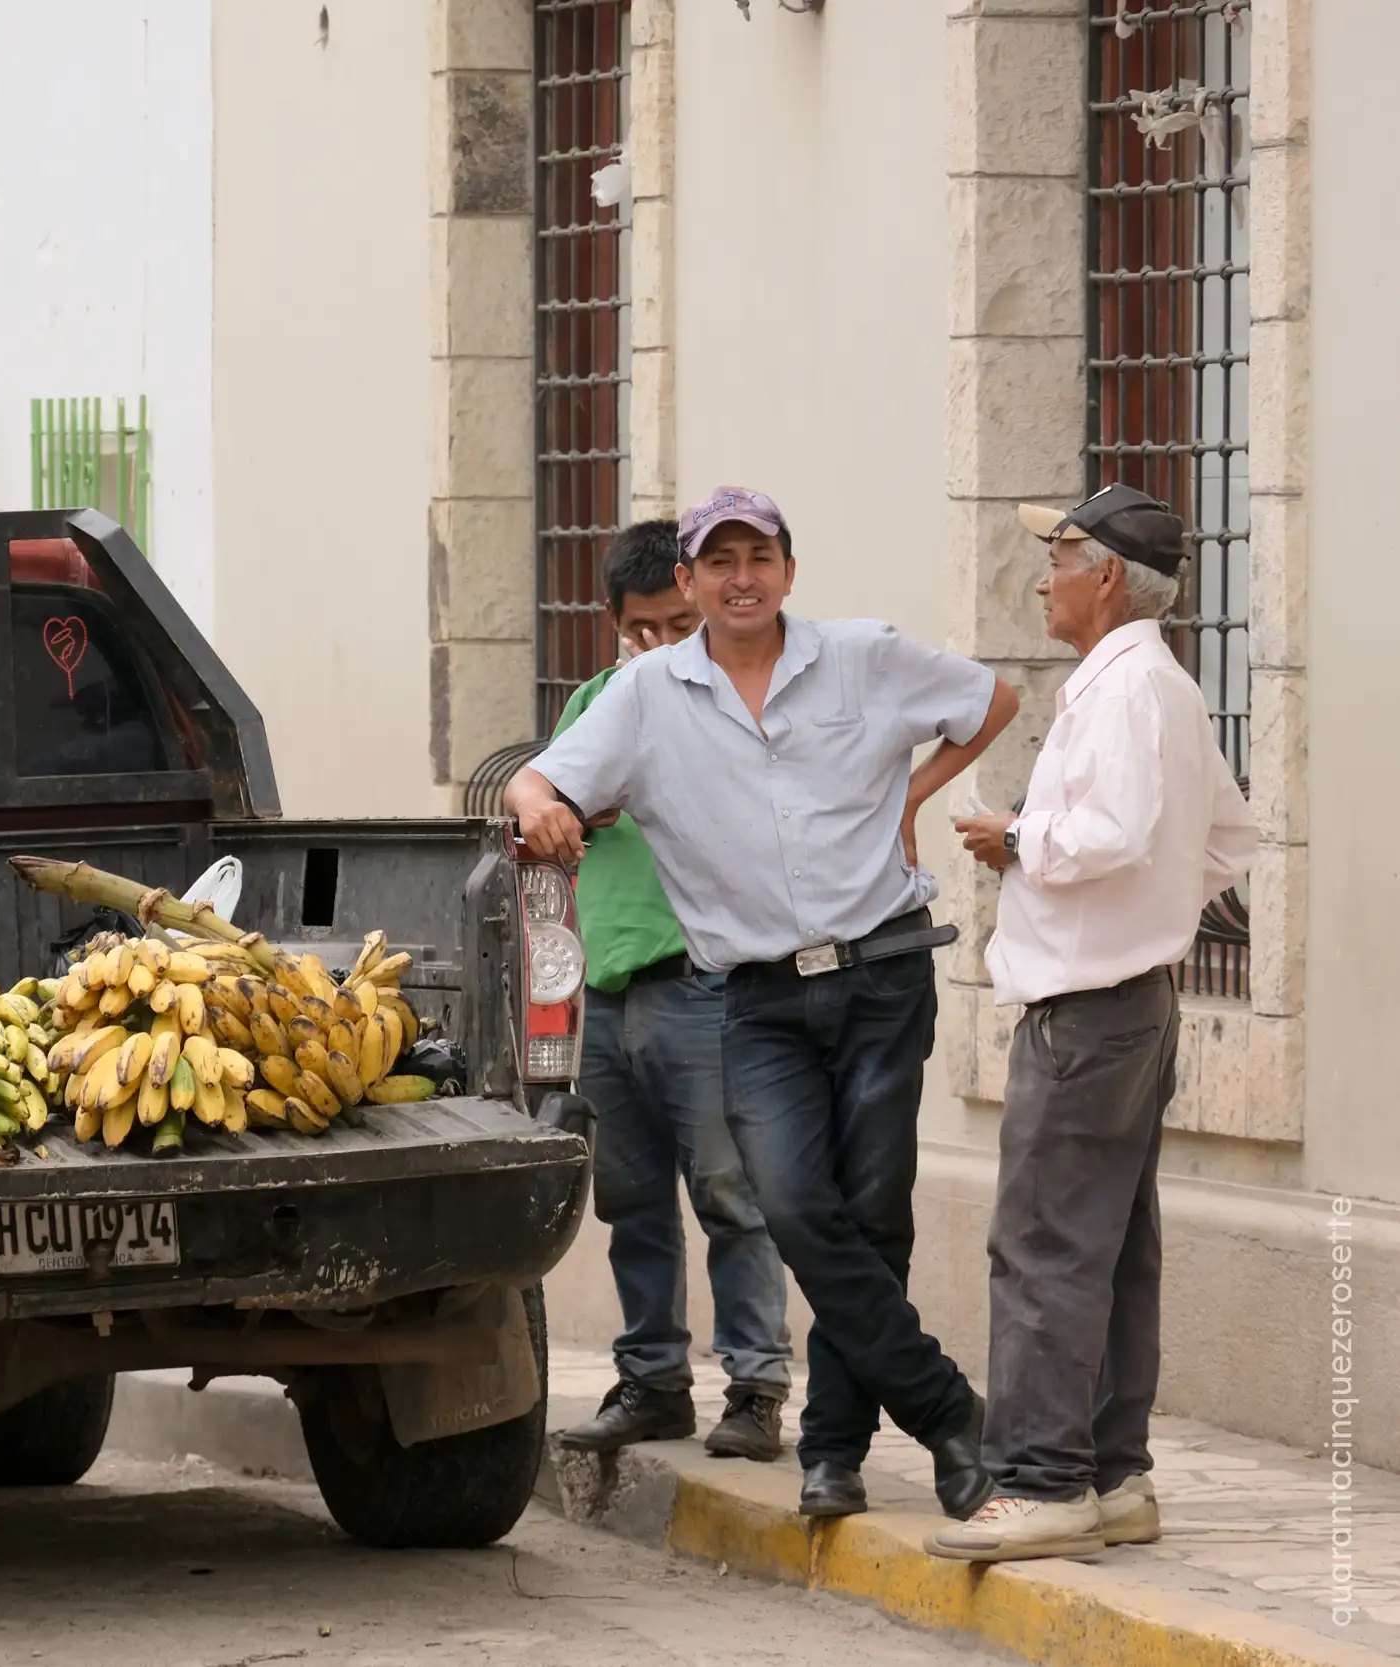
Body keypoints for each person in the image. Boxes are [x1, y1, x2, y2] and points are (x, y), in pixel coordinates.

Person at [504, 485, 1021, 1522]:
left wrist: (912, 798)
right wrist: (544, 811)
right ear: (688, 582)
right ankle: (947, 1408)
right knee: (794, 1206)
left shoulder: (864, 654)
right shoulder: (647, 691)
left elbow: (990, 701)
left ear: (787, 568)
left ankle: (833, 1451)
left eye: (761, 555)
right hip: (755, 997)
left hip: (879, 973)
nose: (741, 576)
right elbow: (534, 782)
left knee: (871, 1218)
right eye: (719, 560)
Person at [926, 486, 1258, 1563]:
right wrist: (1153, 908)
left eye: (1059, 553)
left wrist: (1014, 835)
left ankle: (1042, 1480)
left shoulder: (1122, 692)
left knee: (1044, 1242)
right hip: (1136, 996)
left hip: (1086, 1004)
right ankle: (1113, 1473)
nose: (1041, 574)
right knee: (1112, 1244)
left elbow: (1109, 831)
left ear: (1106, 574)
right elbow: (1223, 840)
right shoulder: (1164, 687)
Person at [551, 520, 794, 1463]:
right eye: (639, 629)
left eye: (671, 625)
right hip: (609, 994)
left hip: (707, 986)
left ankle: (757, 1386)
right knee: (630, 1197)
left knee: (733, 1194)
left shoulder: (732, 700)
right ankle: (653, 1378)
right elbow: (554, 801)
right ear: (614, 626)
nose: (656, 645)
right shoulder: (598, 702)